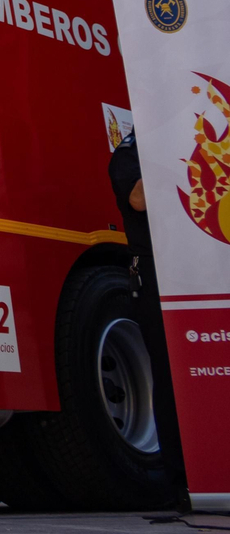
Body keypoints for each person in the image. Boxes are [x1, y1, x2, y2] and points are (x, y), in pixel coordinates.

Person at [107, 132, 188, 503]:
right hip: (154, 271)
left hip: (191, 264)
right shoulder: (128, 154)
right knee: (173, 377)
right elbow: (138, 200)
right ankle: (181, 480)